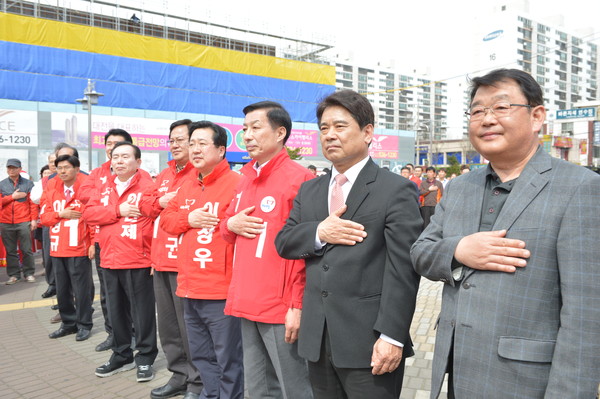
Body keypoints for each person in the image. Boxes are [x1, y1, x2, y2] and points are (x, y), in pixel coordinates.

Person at [411, 68, 600, 398]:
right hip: (457, 374)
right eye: (478, 110)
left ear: (537, 116)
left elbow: (585, 317)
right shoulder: (458, 188)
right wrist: (458, 250)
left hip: (525, 383)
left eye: (501, 107)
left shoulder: (580, 188)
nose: (486, 119)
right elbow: (420, 251)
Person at [275, 89, 422, 398]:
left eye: (340, 126)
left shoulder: (395, 190)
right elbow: (285, 242)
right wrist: (319, 232)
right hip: (318, 337)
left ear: (368, 132)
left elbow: (403, 270)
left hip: (369, 341)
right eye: (324, 128)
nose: (330, 135)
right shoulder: (310, 191)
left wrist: (392, 336)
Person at [221, 101, 314, 399]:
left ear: (280, 133)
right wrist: (229, 224)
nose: (247, 135)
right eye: (245, 128)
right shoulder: (245, 178)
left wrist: (297, 305)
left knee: (294, 387)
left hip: (279, 306)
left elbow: (307, 251)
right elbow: (225, 227)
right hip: (246, 299)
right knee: (258, 386)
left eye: (256, 127)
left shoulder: (301, 180)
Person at [161, 121, 244, 399]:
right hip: (189, 288)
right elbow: (167, 221)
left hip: (221, 291)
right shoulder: (187, 184)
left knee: (229, 360)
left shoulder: (238, 184)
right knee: (201, 357)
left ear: (221, 150)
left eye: (202, 144)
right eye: (191, 143)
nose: (194, 149)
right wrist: (189, 219)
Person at [83, 142, 159, 382]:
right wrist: (119, 210)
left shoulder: (148, 187)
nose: (119, 161)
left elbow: (154, 218)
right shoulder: (103, 187)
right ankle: (121, 354)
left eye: (125, 157)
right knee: (115, 313)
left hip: (138, 259)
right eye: (115, 157)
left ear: (138, 162)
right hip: (109, 259)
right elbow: (89, 214)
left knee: (142, 314)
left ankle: (145, 357)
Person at [139, 120, 203, 399]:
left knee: (190, 327)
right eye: (172, 140)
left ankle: (198, 381)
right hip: (161, 261)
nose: (176, 145)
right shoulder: (165, 174)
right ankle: (179, 376)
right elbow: (145, 205)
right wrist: (162, 201)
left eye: (182, 140)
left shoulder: (199, 174)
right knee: (168, 327)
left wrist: (166, 205)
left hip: (186, 263)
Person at [79, 129, 139, 352]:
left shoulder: (139, 177)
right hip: (103, 241)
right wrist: (107, 198)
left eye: (119, 145)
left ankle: (134, 335)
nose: (113, 148)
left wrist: (104, 200)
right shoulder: (98, 173)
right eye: (109, 144)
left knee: (131, 295)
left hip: (130, 244)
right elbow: (85, 197)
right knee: (107, 293)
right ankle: (113, 334)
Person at [40, 155, 94, 341]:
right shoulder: (52, 187)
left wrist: (93, 243)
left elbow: (94, 217)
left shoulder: (86, 187)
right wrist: (60, 214)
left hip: (79, 247)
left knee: (81, 290)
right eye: (59, 168)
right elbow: (44, 218)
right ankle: (68, 323)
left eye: (66, 167)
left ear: (77, 169)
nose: (62, 171)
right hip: (57, 247)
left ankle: (84, 324)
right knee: (62, 290)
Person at [1, 158, 38, 284]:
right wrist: (12, 197)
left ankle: (29, 273)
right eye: (9, 168)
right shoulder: (2, 184)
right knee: (10, 250)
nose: (11, 170)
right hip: (6, 222)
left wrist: (33, 220)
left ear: (19, 169)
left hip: (23, 221)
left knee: (26, 249)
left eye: (14, 168)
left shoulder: (28, 184)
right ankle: (14, 275)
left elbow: (33, 204)